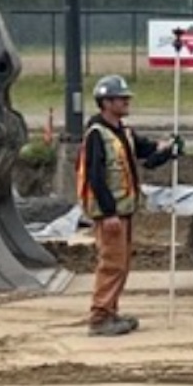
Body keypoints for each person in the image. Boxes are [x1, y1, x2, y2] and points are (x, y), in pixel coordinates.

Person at [76, 74, 182, 337]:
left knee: (120, 264)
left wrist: (169, 150)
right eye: (121, 99)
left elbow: (147, 154)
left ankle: (110, 312)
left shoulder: (123, 132)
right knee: (112, 264)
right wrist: (108, 212)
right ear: (106, 102)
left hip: (124, 211)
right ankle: (100, 318)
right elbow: (95, 176)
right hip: (111, 214)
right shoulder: (96, 135)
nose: (126, 102)